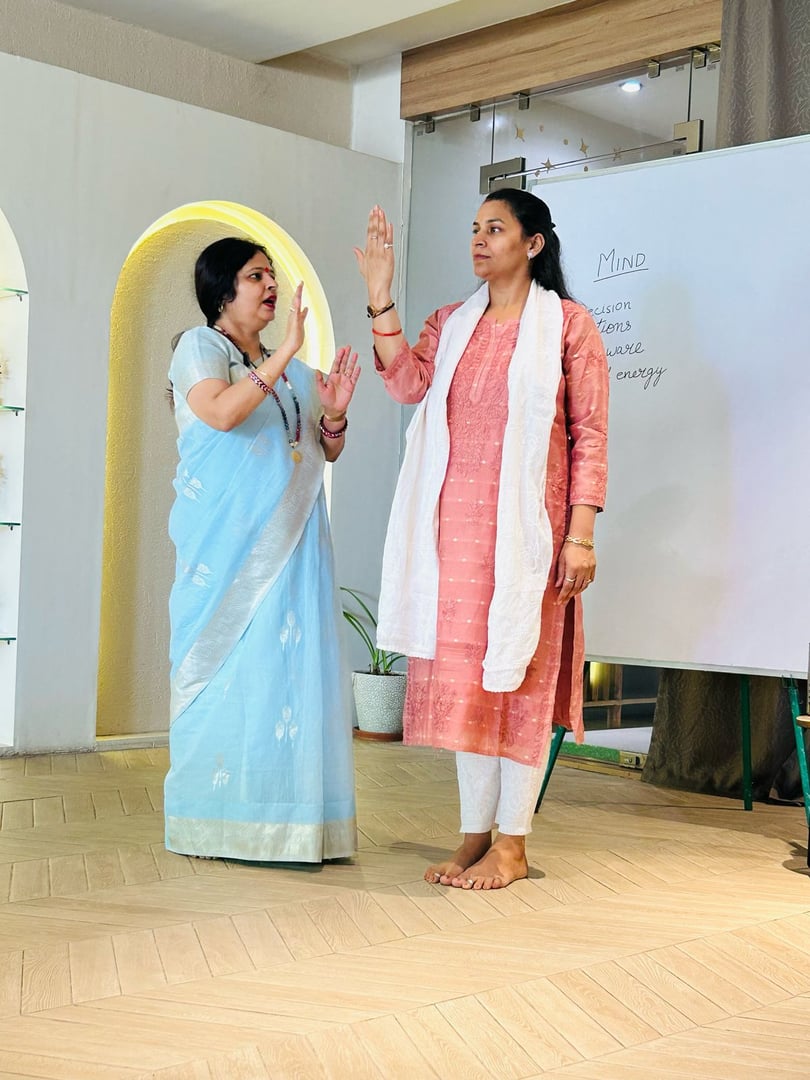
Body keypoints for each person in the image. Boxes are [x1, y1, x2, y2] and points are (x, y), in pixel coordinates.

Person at [354, 189, 608, 890]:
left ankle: (515, 844)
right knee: (474, 687)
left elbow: (590, 432)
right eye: (474, 228)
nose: (479, 239)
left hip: (532, 539)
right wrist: (381, 297)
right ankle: (474, 836)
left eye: (495, 228)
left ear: (533, 244)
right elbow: (406, 384)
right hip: (455, 539)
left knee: (520, 680)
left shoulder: (568, 326)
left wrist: (580, 535)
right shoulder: (450, 322)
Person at [164, 236, 360, 863]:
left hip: (294, 547)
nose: (270, 286)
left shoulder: (292, 368)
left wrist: (333, 415)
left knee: (286, 678)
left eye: (272, 276)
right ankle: (214, 821)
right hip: (227, 559)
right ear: (224, 290)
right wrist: (289, 357)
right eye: (256, 276)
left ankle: (293, 822)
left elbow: (324, 450)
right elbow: (220, 413)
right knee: (229, 675)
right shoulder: (201, 348)